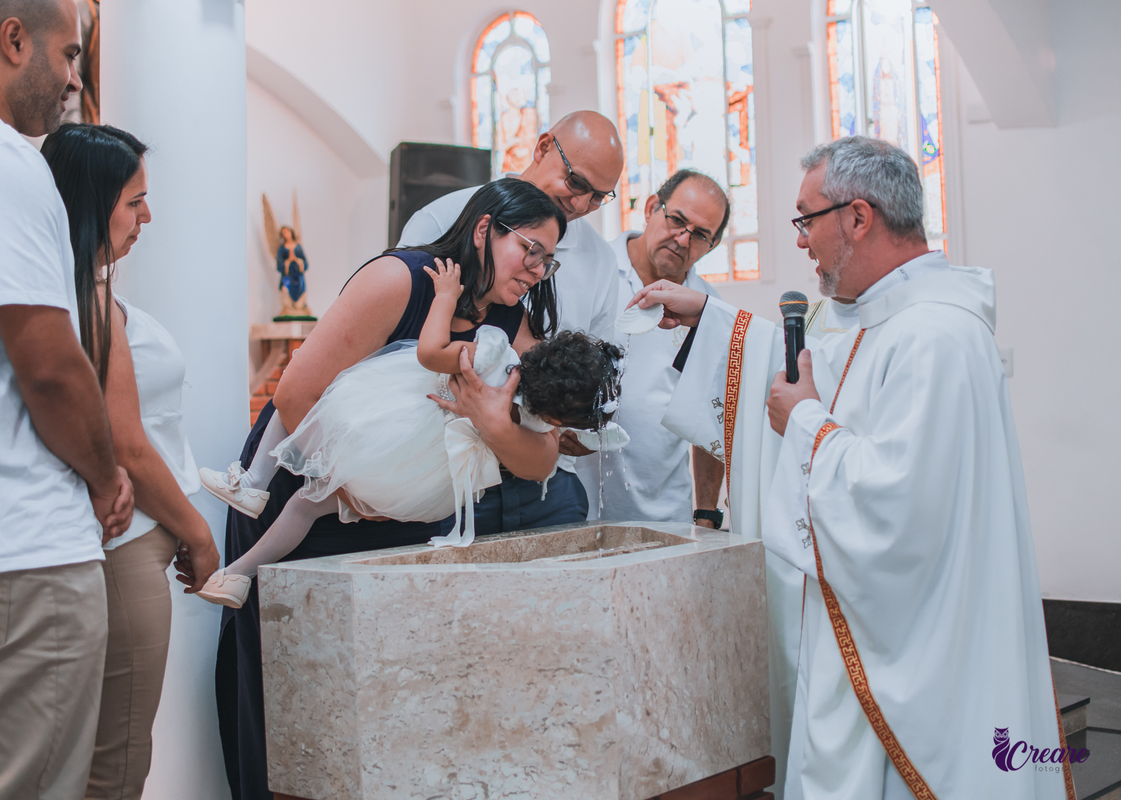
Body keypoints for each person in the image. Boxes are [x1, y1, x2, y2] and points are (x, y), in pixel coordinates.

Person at [630, 136, 1068, 799]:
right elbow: (823, 370)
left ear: (857, 218)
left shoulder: (935, 338)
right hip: (891, 635)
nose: (801, 242)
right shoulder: (897, 322)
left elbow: (894, 503)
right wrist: (713, 322)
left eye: (806, 220)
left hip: (919, 661)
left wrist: (803, 422)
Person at [218, 178, 572, 800]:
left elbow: (542, 456)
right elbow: (296, 395)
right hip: (311, 484)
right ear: (486, 228)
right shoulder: (401, 281)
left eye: (550, 259)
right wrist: (359, 490)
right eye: (531, 250)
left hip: (401, 503)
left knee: (385, 689)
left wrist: (493, 423)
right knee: (295, 687)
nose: (539, 271)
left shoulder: (514, 319)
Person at [0, 1, 135, 797]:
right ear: (15, 40)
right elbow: (48, 362)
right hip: (9, 545)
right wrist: (106, 473)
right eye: (70, 55)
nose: (76, 80)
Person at [197, 263, 621, 606]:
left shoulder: (496, 354)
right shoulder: (532, 421)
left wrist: (444, 298)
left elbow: (429, 350)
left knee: (312, 393)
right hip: (419, 476)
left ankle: (253, 481)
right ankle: (238, 574)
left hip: (393, 420)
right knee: (308, 506)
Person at [41, 122, 221, 800]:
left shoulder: (79, 291)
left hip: (133, 539)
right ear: (89, 203)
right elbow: (128, 447)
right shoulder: (85, 300)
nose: (148, 216)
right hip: (127, 546)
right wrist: (200, 536)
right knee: (115, 765)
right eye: (134, 201)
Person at [398, 110, 625, 535]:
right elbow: (400, 352)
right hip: (451, 475)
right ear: (542, 148)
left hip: (550, 484)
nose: (580, 205)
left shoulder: (600, 260)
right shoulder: (445, 217)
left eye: (598, 197)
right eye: (576, 183)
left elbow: (594, 373)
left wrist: (576, 417)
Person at [578, 170, 728, 528]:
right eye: (677, 219)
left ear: (712, 246)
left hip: (664, 514)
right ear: (650, 208)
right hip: (574, 502)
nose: (682, 238)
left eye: (700, 235)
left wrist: (706, 514)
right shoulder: (591, 267)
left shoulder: (709, 310)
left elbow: (710, 419)